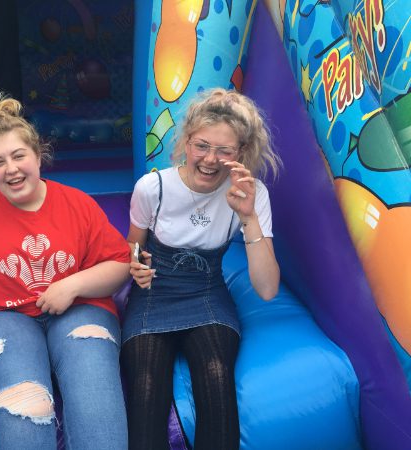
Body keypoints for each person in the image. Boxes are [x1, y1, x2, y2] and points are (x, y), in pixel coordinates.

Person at [0, 94, 130, 450]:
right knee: (24, 399)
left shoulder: (77, 204)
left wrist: (74, 284)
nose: (12, 169)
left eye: (19, 156)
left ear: (38, 155)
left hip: (80, 308)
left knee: (94, 390)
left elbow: (119, 263)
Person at [121, 88, 281, 449]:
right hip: (153, 296)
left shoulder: (252, 194)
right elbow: (133, 245)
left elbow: (268, 289)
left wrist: (249, 217)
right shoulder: (153, 187)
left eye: (225, 150)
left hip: (207, 295)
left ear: (241, 153)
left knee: (216, 377)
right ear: (187, 142)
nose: (211, 159)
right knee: (146, 388)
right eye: (202, 146)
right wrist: (135, 264)